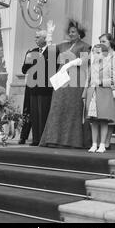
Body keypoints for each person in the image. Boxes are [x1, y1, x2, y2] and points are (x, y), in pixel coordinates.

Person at [39, 19, 91, 148]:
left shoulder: (85, 45)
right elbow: (48, 53)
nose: (71, 34)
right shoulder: (63, 45)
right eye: (70, 32)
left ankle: (72, 141)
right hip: (61, 80)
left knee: (72, 109)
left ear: (79, 33)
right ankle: (53, 139)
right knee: (57, 107)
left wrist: (70, 63)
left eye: (74, 32)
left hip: (76, 80)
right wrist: (49, 35)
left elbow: (85, 61)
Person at [83, 43, 115, 153]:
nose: (95, 55)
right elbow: (87, 80)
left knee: (103, 120)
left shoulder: (109, 64)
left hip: (104, 94)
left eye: (98, 52)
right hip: (93, 94)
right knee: (93, 121)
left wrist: (100, 82)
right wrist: (84, 94)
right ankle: (94, 144)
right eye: (94, 52)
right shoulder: (92, 65)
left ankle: (102, 144)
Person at [22, 30, 55, 146]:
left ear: (45, 39)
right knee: (34, 114)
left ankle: (44, 139)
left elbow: (53, 69)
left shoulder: (52, 51)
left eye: (37, 37)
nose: (35, 39)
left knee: (43, 114)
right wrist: (28, 58)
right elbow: (24, 70)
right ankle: (36, 139)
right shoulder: (32, 51)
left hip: (46, 88)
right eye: (35, 37)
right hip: (33, 88)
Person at [97, 33, 115, 150]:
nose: (101, 44)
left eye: (104, 41)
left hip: (112, 88)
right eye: (100, 42)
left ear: (110, 42)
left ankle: (107, 141)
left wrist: (113, 86)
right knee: (101, 115)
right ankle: (99, 141)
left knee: (111, 117)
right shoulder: (100, 55)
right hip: (101, 88)